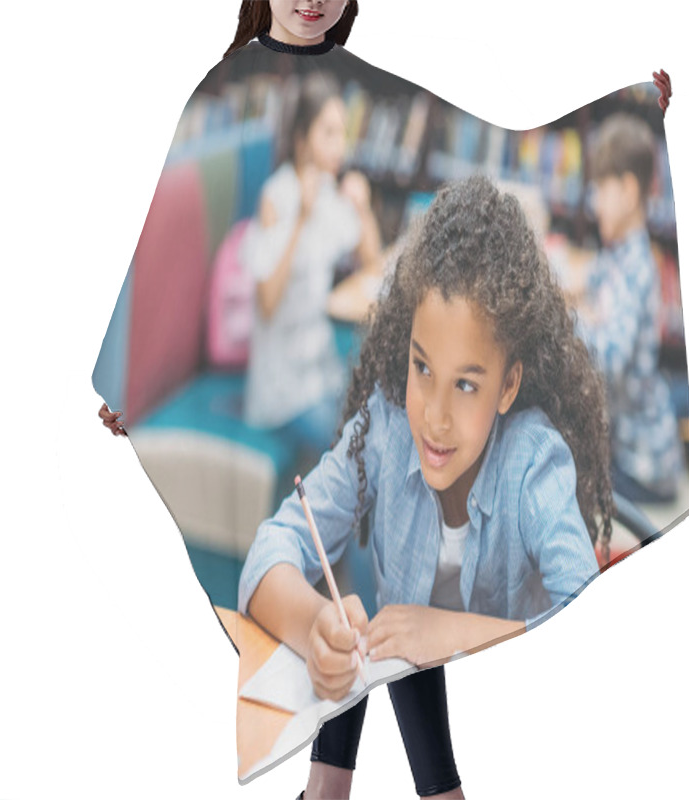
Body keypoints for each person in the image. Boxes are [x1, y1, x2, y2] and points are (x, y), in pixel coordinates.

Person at [239, 173, 615, 799]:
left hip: (499, 733)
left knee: (400, 649)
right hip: (406, 702)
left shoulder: (533, 461)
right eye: (422, 367)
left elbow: (585, 629)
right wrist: (314, 631)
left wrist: (451, 636)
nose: (435, 416)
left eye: (467, 383)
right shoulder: (386, 425)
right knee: (362, 639)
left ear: (509, 386)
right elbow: (268, 553)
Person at [238, 67, 382, 462]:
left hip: (321, 373)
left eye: (343, 133)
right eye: (329, 133)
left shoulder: (329, 196)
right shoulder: (277, 196)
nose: (341, 146)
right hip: (282, 391)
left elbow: (373, 266)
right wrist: (299, 219)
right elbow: (266, 301)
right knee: (358, 450)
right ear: (302, 138)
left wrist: (364, 209)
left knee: (381, 418)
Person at [570, 112, 685, 504]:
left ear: (628, 191)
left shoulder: (636, 267)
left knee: (569, 482)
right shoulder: (619, 256)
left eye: (601, 189)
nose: (594, 202)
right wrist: (586, 311)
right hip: (629, 446)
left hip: (644, 462)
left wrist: (576, 321)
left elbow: (610, 359)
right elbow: (590, 283)